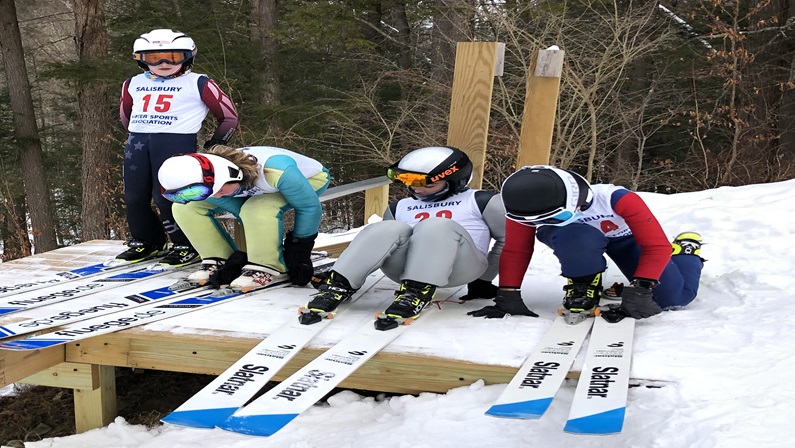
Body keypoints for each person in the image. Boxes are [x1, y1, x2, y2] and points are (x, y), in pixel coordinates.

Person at [300, 146, 506, 330]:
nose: (417, 189)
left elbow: (506, 240)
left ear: (455, 180)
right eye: (409, 181)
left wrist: (484, 279)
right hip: (404, 270)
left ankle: (418, 293)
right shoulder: (399, 206)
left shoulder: (480, 200)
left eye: (426, 184)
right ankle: (338, 285)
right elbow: (381, 243)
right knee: (387, 227)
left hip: (462, 266)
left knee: (435, 225)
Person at [468, 165, 704, 323]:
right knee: (578, 237)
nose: (541, 223)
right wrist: (508, 293)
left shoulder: (618, 199)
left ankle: (685, 252)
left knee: (674, 299)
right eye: (538, 221)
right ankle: (583, 283)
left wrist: (642, 287)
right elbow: (517, 249)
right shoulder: (525, 207)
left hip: (625, 239)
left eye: (555, 217)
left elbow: (656, 247)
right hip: (577, 241)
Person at [115, 29, 239, 267]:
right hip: (138, 143)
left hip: (176, 142)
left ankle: (185, 244)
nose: (163, 63)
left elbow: (229, 117)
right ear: (140, 59)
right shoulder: (132, 83)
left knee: (168, 196)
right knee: (134, 197)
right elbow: (126, 116)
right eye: (153, 58)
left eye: (173, 57)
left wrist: (216, 144)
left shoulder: (199, 82)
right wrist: (140, 131)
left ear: (188, 56)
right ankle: (147, 241)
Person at [157, 145, 330, 291]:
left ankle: (267, 265)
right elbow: (240, 211)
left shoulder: (276, 170)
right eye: (210, 192)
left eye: (220, 190)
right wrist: (238, 260)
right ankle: (218, 257)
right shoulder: (210, 179)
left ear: (231, 175)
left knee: (257, 208)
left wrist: (299, 249)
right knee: (184, 207)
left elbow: (309, 207)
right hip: (251, 188)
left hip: (309, 180)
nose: (217, 196)